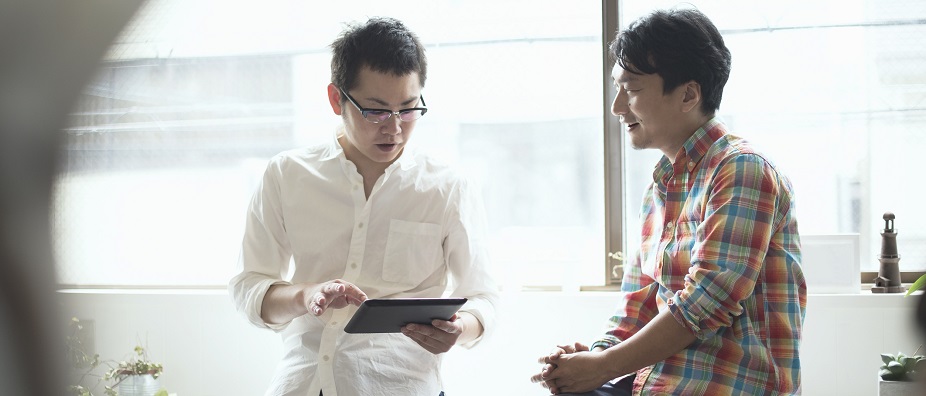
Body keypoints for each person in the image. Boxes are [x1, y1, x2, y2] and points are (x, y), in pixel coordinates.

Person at [531, 8, 805, 395]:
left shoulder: (743, 171)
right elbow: (640, 302)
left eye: (632, 89)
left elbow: (707, 301)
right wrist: (591, 360)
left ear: (688, 94)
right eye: (616, 88)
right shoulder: (661, 186)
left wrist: (604, 367)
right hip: (657, 383)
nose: (617, 107)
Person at [229, 17, 498, 396]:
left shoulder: (448, 186)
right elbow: (250, 288)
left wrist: (461, 330)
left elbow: (484, 295)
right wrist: (306, 296)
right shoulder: (287, 174)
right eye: (375, 110)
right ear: (337, 98)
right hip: (303, 383)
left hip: (403, 385)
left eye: (408, 109)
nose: (394, 128)